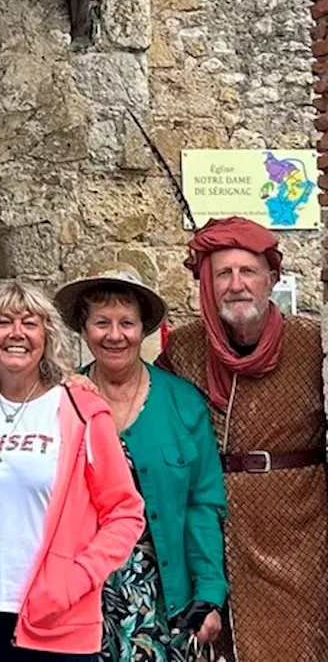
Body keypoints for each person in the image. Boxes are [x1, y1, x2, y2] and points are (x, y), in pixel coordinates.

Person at [0, 281, 144, 661]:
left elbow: (124, 512)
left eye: (30, 323)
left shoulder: (79, 409)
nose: (17, 333)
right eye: (3, 322)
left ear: (48, 337)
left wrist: (74, 580)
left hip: (56, 620)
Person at [156, 216, 327, 661]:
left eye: (247, 271)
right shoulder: (184, 348)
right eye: (223, 274)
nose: (236, 285)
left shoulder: (312, 341)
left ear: (271, 277)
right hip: (211, 527)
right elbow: (133, 397)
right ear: (207, 285)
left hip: (298, 528)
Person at [53, 270, 228, 662]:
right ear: (84, 328)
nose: (115, 335)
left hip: (167, 597)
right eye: (102, 322)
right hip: (83, 596)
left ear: (143, 330)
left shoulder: (182, 403)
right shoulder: (60, 401)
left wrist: (210, 593)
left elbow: (203, 504)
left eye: (126, 323)